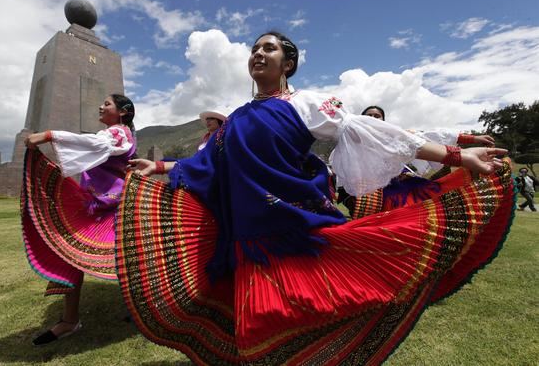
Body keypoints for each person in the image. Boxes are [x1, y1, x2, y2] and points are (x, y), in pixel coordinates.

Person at [122, 31, 514, 365]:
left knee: (306, 324)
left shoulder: (306, 104)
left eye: (269, 48)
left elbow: (376, 135)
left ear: (287, 64)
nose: (258, 54)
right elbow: (206, 163)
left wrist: (456, 155)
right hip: (249, 244)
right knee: (257, 340)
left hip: (300, 236)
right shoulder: (237, 117)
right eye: (255, 49)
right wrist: (156, 168)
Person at [21, 94, 136, 345]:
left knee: (129, 257)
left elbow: (94, 144)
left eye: (107, 104)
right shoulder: (113, 133)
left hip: (117, 207)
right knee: (69, 251)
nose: (100, 106)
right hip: (95, 205)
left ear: (123, 112)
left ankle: (144, 307)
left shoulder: (119, 134)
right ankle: (70, 320)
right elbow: (92, 145)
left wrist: (49, 135)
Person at [339, 106, 497, 218]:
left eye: (377, 116)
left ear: (383, 120)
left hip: (402, 188)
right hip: (366, 194)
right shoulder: (348, 140)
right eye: (369, 115)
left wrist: (472, 139)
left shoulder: (396, 136)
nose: (372, 118)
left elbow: (429, 137)